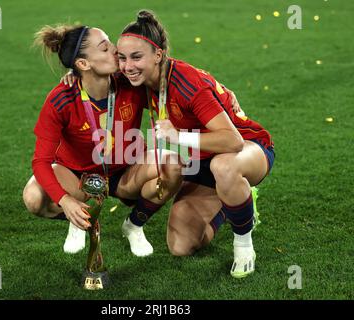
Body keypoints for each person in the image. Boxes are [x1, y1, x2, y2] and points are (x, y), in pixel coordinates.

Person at [116, 10, 275, 278]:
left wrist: (179, 137)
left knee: (224, 167)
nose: (127, 66)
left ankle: (244, 244)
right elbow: (95, 72)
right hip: (203, 160)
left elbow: (232, 141)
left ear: (158, 55)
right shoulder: (139, 79)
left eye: (136, 57)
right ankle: (236, 200)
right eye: (122, 57)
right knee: (181, 245)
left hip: (247, 147)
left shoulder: (187, 82)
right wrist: (72, 75)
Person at [23, 23, 183, 257]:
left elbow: (167, 70)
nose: (116, 49)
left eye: (110, 43)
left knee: (173, 165)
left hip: (125, 170)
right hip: (76, 176)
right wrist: (65, 201)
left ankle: (134, 226)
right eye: (105, 48)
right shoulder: (61, 99)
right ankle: (77, 218)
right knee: (33, 197)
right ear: (83, 64)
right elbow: (41, 162)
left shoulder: (130, 80)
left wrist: (217, 90)